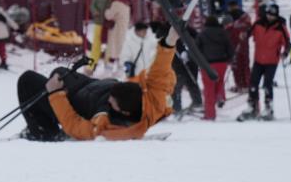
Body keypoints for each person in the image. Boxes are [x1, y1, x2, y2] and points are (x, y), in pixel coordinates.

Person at [15, 25, 179, 141]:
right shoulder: (153, 101)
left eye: (112, 102)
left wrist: (55, 93)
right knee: (58, 72)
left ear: (124, 112)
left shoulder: (106, 126)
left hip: (75, 101)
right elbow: (160, 70)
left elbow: (74, 125)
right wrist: (170, 41)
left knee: (27, 81)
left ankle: (45, 133)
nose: (109, 100)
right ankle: (42, 123)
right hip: (87, 87)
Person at [238, 3, 290, 121]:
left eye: (272, 15)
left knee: (267, 84)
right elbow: (249, 33)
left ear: (276, 15)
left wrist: (285, 53)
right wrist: (244, 35)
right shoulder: (258, 23)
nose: (270, 17)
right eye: (268, 14)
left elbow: (287, 43)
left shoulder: (280, 26)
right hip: (258, 59)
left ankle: (268, 108)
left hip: (272, 61)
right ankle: (252, 106)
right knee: (253, 83)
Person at [196, 15, 231, 120]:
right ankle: (220, 96)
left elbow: (196, 48)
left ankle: (210, 114)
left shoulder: (202, 34)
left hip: (208, 65)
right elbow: (229, 47)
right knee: (219, 83)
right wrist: (229, 58)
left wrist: (199, 61)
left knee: (209, 89)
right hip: (222, 63)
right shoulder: (223, 33)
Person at [102, 0, 131, 76]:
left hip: (115, 29)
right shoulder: (127, 4)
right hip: (123, 30)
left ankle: (108, 71)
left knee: (112, 49)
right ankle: (120, 70)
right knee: (120, 49)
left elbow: (109, 15)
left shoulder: (116, 3)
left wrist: (106, 11)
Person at [224, 0, 251, 91]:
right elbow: (250, 29)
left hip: (233, 45)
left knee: (236, 66)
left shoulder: (228, 17)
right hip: (243, 44)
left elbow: (225, 31)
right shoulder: (245, 16)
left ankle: (240, 84)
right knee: (244, 64)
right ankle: (246, 84)